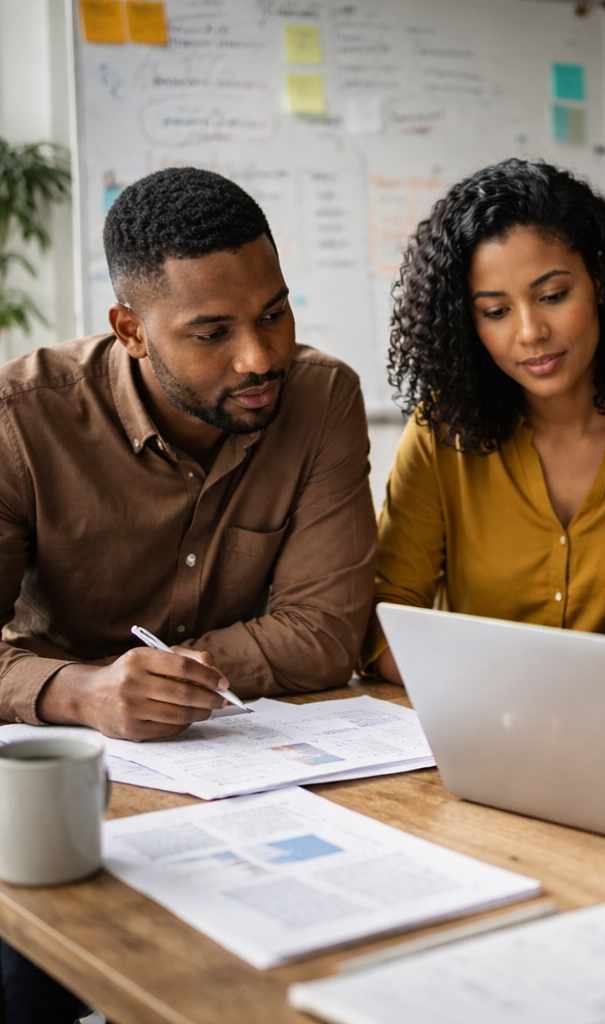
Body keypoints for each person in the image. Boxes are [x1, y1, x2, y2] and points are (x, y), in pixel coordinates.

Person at [0, 167, 376, 1022]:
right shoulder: (21, 419)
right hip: (63, 786)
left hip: (270, 790)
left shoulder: (321, 399)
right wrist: (83, 691)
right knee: (35, 980)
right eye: (213, 332)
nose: (261, 356)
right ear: (130, 329)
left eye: (275, 312)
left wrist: (175, 679)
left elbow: (324, 632)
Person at [362, 159, 605, 681]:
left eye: (552, 296)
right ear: (466, 321)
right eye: (496, 311)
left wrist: (535, 681)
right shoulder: (441, 431)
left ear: (601, 278)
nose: (530, 332)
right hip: (477, 726)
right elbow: (387, 619)